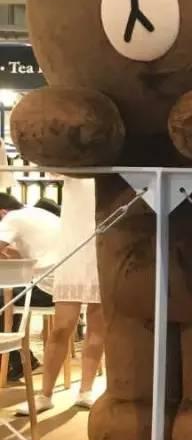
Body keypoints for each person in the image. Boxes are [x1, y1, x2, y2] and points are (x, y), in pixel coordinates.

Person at [16, 177, 105, 414]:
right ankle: (44, 394)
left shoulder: (109, 171)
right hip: (71, 251)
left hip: (102, 247)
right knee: (61, 327)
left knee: (97, 328)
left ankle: (86, 390)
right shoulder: (73, 169)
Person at [0, 193, 60, 380]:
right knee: (9, 295)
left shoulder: (12, 218)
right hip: (66, 286)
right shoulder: (39, 213)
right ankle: (17, 362)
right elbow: (30, 255)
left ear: (2, 212)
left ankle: (11, 362)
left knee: (5, 297)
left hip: (47, 287)